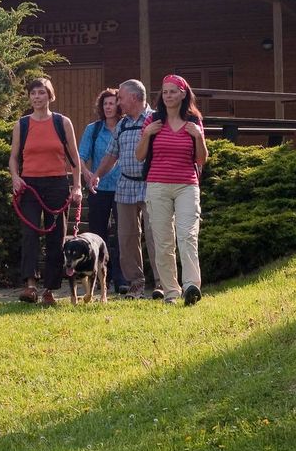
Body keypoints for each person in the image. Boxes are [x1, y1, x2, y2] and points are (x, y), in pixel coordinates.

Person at [8, 77, 83, 305]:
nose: (37, 97)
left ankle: (49, 289)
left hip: (57, 184)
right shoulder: (22, 124)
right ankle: (30, 286)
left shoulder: (62, 122)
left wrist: (77, 186)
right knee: (29, 234)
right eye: (33, 93)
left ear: (50, 96)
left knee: (56, 237)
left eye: (41, 93)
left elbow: (75, 158)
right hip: (29, 185)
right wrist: (15, 177)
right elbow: (13, 157)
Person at [135, 74, 208, 305]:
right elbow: (139, 156)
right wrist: (147, 134)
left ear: (183, 94)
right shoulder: (152, 121)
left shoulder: (194, 122)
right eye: (165, 92)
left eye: (173, 91)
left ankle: (191, 287)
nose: (168, 96)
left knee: (187, 236)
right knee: (163, 241)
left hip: (187, 185)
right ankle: (171, 292)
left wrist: (199, 138)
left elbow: (201, 159)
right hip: (157, 186)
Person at [86, 79, 161, 299]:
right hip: (125, 185)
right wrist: (97, 175)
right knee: (127, 237)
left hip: (151, 184)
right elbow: (111, 154)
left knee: (156, 235)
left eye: (121, 98)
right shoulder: (123, 123)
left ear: (134, 97)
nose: (118, 102)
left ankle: (161, 283)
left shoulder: (156, 119)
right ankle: (135, 284)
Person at [77, 88, 125, 293]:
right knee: (97, 234)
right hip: (99, 189)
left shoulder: (126, 127)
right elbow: (80, 156)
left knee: (123, 234)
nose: (108, 107)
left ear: (119, 105)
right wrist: (86, 173)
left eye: (112, 103)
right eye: (105, 103)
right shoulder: (93, 129)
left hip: (124, 188)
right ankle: (97, 276)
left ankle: (121, 278)